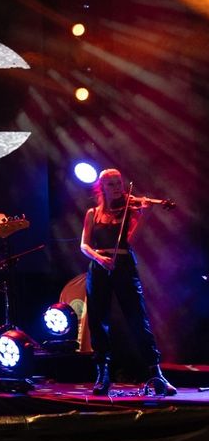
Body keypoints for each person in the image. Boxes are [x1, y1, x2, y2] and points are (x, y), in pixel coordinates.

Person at [80, 168, 176, 396]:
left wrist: (145, 216)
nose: (117, 188)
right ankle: (102, 374)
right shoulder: (92, 213)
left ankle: (156, 373)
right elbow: (84, 245)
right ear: (102, 188)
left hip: (123, 266)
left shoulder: (129, 211)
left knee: (137, 319)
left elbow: (130, 240)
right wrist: (99, 258)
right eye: (111, 184)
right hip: (99, 267)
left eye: (119, 183)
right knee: (98, 321)